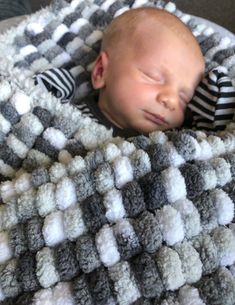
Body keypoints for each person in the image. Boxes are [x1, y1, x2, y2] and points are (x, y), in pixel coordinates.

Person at [35, 7, 205, 137]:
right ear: (101, 72)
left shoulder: (171, 143)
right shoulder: (70, 116)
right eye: (153, 76)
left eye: (184, 99)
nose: (171, 101)